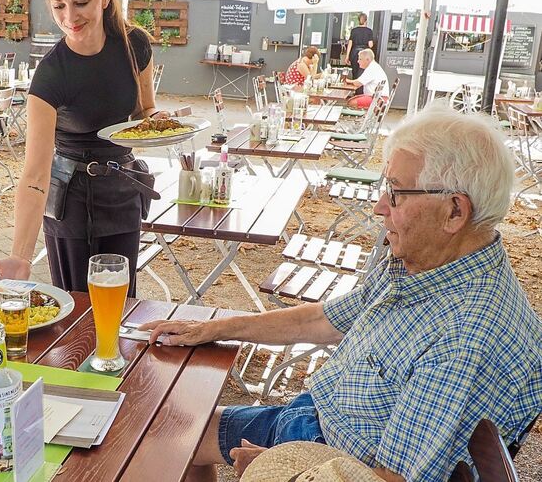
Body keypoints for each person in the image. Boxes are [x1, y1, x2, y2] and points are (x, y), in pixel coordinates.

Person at [141, 104, 542, 481]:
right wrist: (217, 328)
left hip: (331, 458)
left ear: (455, 210)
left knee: (170, 434)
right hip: (318, 419)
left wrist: (279, 470)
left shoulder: (466, 338)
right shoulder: (431, 265)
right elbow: (324, 319)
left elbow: (389, 479)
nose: (380, 207)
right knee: (174, 428)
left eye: (397, 192)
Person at [0, 0, 164, 295]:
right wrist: (20, 256)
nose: (70, 17)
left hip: (122, 189)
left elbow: (143, 111)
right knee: (76, 309)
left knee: (121, 305)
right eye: (59, 6)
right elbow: (35, 174)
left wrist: (159, 120)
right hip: (71, 199)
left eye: (81, 2)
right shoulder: (51, 74)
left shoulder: (134, 44)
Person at [344, 13, 374, 79]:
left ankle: (355, 86)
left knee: (355, 73)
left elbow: (350, 44)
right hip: (365, 54)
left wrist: (347, 56)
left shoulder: (354, 30)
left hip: (354, 53)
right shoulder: (369, 31)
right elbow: (370, 45)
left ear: (358, 20)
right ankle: (361, 88)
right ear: (366, 21)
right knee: (364, 73)